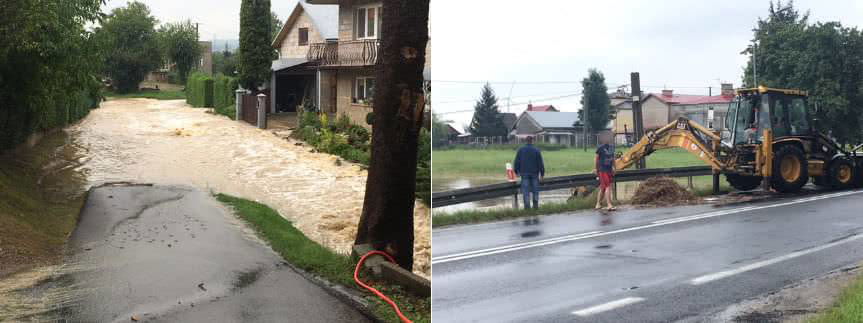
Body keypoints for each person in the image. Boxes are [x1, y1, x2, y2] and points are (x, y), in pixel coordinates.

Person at [513, 136, 544, 209]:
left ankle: (527, 207)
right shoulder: (536, 150)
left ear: (525, 141)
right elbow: (540, 163)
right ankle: (535, 206)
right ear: (532, 141)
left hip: (524, 174)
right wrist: (542, 174)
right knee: (535, 191)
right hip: (534, 173)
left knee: (526, 192)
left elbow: (516, 162)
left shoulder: (521, 150)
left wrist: (516, 172)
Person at [594, 132, 616, 211]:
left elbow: (613, 158)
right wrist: (596, 169)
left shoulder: (612, 147)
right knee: (608, 186)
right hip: (602, 170)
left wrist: (614, 168)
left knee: (603, 188)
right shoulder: (600, 148)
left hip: (609, 169)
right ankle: (609, 204)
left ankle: (598, 204)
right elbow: (596, 159)